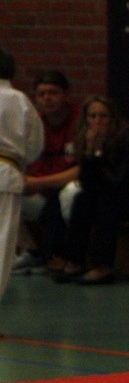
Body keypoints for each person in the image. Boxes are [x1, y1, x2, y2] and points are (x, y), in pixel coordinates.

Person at [51, 96, 129, 285]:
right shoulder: (87, 141)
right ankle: (75, 260)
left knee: (106, 202)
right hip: (116, 196)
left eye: (103, 116)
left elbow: (119, 182)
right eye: (92, 116)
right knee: (82, 199)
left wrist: (98, 153)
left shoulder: (128, 140)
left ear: (112, 118)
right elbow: (87, 183)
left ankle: (103, 266)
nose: (97, 121)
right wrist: (90, 152)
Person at [13, 71, 78, 275]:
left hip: (69, 194)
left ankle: (68, 255)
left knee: (69, 195)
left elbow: (81, 170)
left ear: (66, 94)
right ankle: (32, 251)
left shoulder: (79, 121)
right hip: (41, 194)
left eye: (53, 92)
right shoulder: (34, 124)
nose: (47, 98)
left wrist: (39, 183)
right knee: (5, 191)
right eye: (41, 94)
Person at [0, 48, 46, 302]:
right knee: (3, 241)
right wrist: (22, 160)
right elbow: (35, 145)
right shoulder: (19, 100)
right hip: (6, 174)